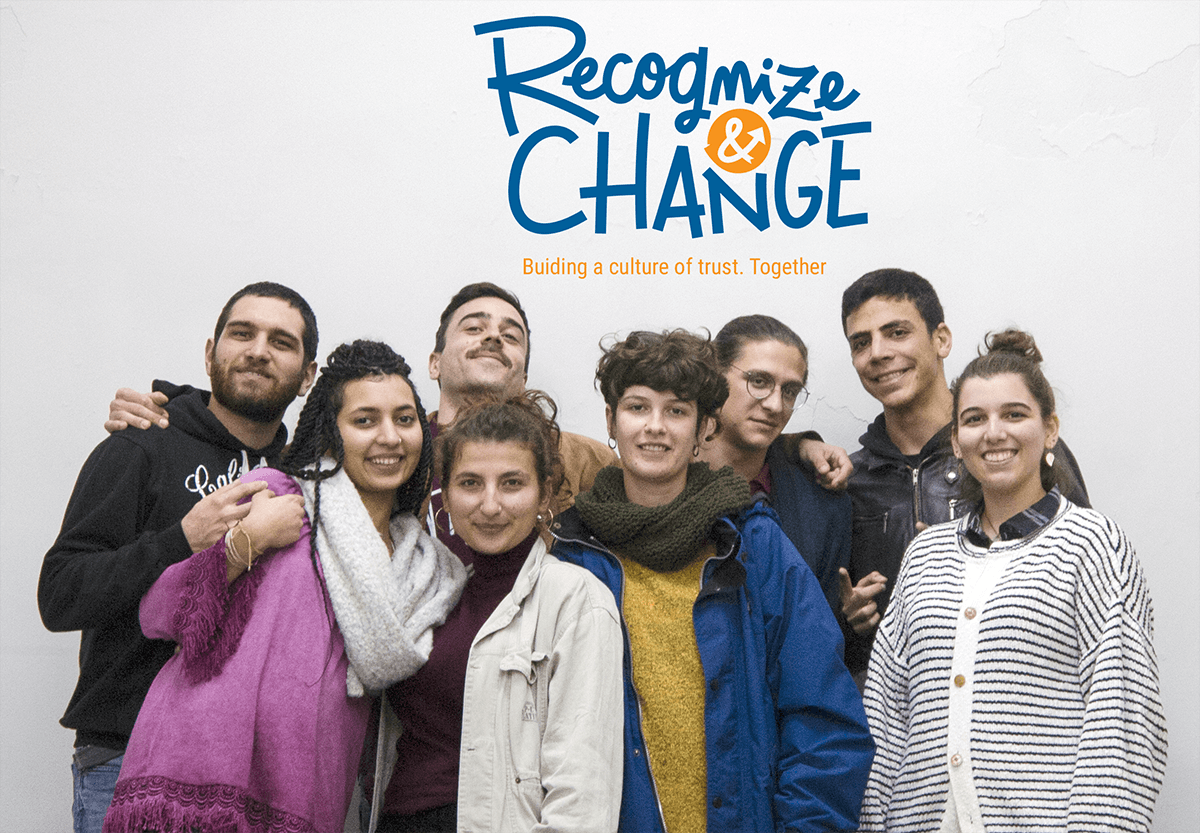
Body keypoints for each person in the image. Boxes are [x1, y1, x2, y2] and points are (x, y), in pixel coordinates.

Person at [103, 340, 467, 832]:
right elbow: (159, 611)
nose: (390, 437)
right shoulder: (275, 496)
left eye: (405, 419)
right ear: (330, 433)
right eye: (364, 420)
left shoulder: (420, 564)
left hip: (309, 791)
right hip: (195, 795)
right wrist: (246, 542)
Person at [551, 329, 874, 833]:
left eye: (677, 411)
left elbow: (823, 718)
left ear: (704, 428)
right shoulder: (573, 554)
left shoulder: (754, 544)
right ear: (611, 421)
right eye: (637, 407)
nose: (655, 427)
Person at [38, 281, 320, 833]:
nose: (258, 351)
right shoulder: (142, 444)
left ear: (308, 375)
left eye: (281, 342)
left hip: (248, 773)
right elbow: (61, 593)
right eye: (242, 333)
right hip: (127, 758)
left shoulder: (306, 477)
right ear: (211, 352)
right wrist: (182, 539)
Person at [859, 329, 1167, 831]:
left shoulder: (1092, 543)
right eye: (974, 419)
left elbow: (1124, 721)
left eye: (1014, 414)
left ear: (1050, 431)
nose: (993, 433)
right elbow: (886, 715)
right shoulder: (925, 555)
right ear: (956, 441)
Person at [103, 282, 617, 564]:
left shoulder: (582, 458)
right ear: (434, 363)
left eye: (511, 334)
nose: (493, 337)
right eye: (474, 327)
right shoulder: (384, 453)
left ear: (523, 372)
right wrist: (183, 409)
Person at [364, 391, 623, 833]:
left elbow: (582, 795)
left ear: (544, 494)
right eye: (470, 483)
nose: (489, 505)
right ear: (446, 496)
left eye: (511, 483)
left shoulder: (576, 600)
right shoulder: (431, 593)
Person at [833, 268, 1090, 686]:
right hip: (905, 710)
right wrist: (851, 621)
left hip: (1023, 696)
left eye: (897, 332)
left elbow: (1083, 581)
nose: (877, 353)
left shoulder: (1015, 451)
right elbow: (831, 644)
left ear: (941, 340)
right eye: (861, 342)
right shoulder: (848, 480)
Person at [702, 314, 852, 614]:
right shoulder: (662, 478)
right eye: (758, 382)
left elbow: (822, 623)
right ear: (715, 377)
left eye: (790, 391)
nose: (775, 405)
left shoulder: (824, 506)